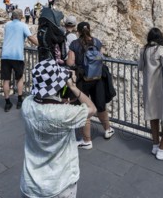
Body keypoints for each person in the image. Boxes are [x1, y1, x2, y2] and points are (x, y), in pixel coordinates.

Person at [20, 60, 96, 198]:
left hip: (30, 185)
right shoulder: (64, 114)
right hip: (60, 185)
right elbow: (92, 109)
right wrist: (73, 87)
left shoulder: (27, 104)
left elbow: (42, 99)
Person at [66, 21, 114, 149]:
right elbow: (101, 57)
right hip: (97, 78)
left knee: (84, 108)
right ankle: (108, 130)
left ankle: (87, 141)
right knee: (100, 105)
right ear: (89, 30)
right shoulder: (97, 42)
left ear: (78, 31)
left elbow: (70, 62)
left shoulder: (74, 44)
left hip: (82, 80)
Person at [138, 28, 163, 160]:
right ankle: (162, 149)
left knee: (153, 116)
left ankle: (156, 145)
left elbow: (140, 67)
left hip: (148, 89)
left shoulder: (143, 50)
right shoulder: (161, 49)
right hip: (161, 89)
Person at [1, 9, 39, 112]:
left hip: (5, 55)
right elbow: (30, 38)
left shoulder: (7, 25)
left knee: (6, 80)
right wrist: (41, 45)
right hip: (17, 55)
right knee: (19, 78)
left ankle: (7, 103)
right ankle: (19, 100)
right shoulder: (23, 25)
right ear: (21, 16)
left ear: (12, 16)